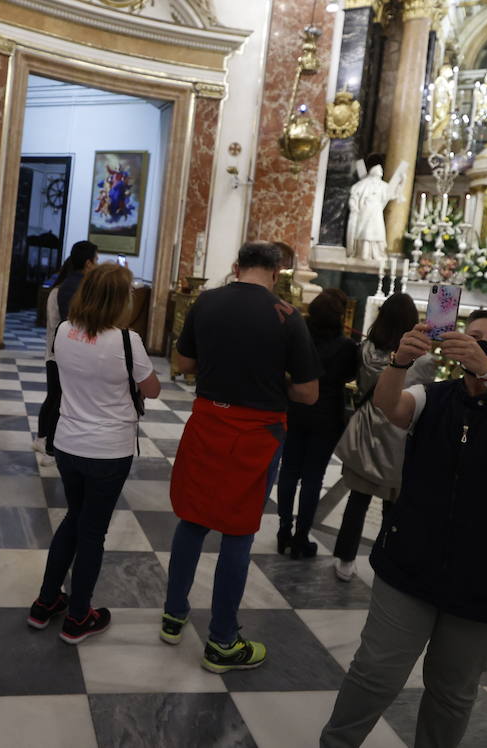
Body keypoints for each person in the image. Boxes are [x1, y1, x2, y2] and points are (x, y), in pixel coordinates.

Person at [320, 309, 487, 748]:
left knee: (451, 689)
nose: (482, 344)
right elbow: (389, 406)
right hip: (411, 561)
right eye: (474, 336)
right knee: (376, 671)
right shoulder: (435, 397)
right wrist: (398, 362)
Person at [160, 241, 320, 673]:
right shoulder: (287, 317)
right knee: (238, 531)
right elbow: (308, 393)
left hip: (208, 421)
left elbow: (184, 362)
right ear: (276, 272)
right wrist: (275, 380)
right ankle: (222, 641)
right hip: (257, 433)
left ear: (236, 267)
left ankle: (173, 617)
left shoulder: (206, 302)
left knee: (192, 519)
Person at [27, 263, 161, 642]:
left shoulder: (64, 332)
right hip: (108, 450)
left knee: (74, 518)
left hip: (68, 442)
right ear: (120, 301)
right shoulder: (126, 341)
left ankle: (45, 602)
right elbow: (151, 391)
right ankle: (79, 616)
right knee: (92, 531)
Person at [331, 293, 438, 582]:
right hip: (398, 435)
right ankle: (389, 561)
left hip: (367, 428)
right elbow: (424, 398)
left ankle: (345, 559)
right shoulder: (424, 361)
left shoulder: (366, 349)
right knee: (395, 506)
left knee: (358, 500)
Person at [276, 289, 358, 559]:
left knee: (288, 471)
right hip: (327, 417)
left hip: (296, 409)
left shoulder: (301, 338)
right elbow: (349, 375)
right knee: (313, 478)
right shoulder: (346, 347)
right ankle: (302, 537)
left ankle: (284, 530)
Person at [36, 240, 100, 456]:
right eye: (96, 260)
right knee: (58, 399)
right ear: (89, 263)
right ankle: (49, 445)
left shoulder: (62, 289)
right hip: (63, 352)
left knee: (55, 397)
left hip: (57, 351)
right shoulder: (74, 290)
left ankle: (45, 439)